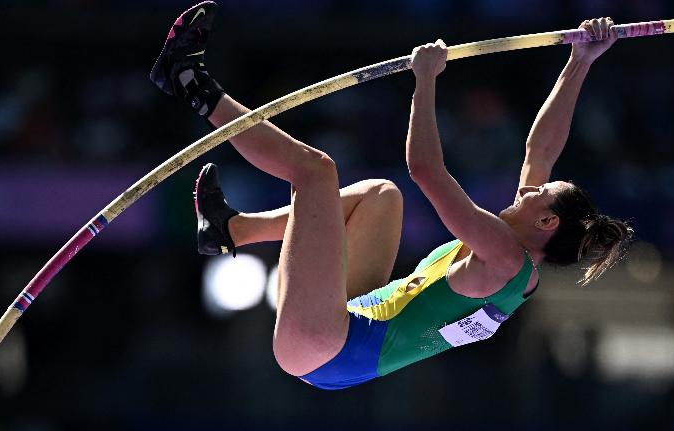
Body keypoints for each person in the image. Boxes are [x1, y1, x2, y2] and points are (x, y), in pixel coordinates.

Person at [151, 2, 633, 390]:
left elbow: (425, 168)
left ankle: (189, 82)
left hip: (323, 344)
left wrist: (424, 79)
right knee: (380, 196)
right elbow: (540, 147)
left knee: (316, 172)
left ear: (547, 221)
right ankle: (231, 230)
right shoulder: (520, 261)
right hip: (350, 327)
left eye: (541, 192)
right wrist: (579, 62)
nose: (530, 186)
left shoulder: (504, 253)